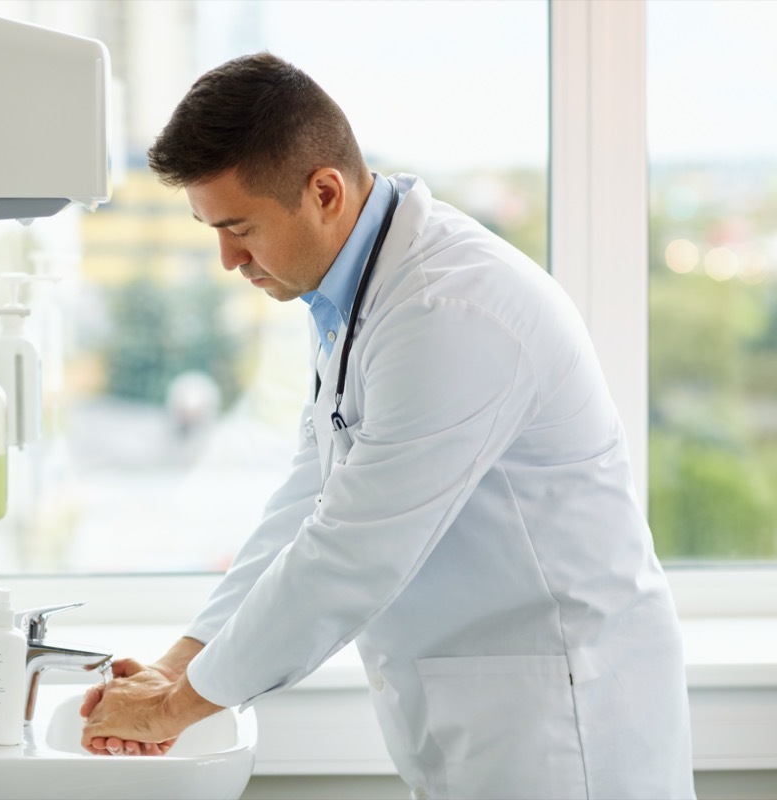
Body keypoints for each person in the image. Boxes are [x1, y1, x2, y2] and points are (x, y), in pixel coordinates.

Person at [80, 52, 695, 799]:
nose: (227, 258)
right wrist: (182, 659)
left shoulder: (450, 312)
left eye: (239, 228)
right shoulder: (352, 293)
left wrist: (176, 707)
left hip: (563, 723)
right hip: (484, 709)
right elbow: (309, 500)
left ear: (325, 192)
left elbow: (349, 552)